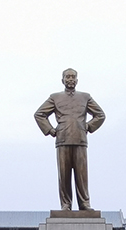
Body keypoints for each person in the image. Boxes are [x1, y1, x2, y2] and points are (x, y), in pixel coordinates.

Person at [34, 68, 106, 211]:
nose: (70, 79)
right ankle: (66, 204)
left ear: (77, 80)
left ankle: (84, 203)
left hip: (80, 140)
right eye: (68, 77)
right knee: (64, 175)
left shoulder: (85, 97)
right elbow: (39, 114)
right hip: (62, 139)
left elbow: (100, 115)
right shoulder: (55, 97)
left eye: (73, 77)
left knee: (82, 174)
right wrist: (50, 130)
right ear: (63, 80)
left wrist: (88, 126)